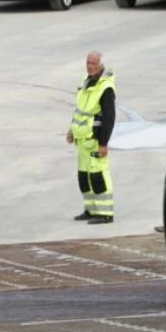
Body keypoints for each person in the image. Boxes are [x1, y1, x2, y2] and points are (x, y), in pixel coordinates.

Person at [67, 51, 116, 224]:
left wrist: (103, 143)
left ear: (100, 64)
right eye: (88, 63)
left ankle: (105, 213)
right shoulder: (85, 82)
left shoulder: (106, 88)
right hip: (82, 141)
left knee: (98, 176)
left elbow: (109, 117)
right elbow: (79, 109)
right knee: (84, 177)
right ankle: (90, 209)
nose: (91, 66)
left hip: (95, 141)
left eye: (94, 63)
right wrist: (71, 129)